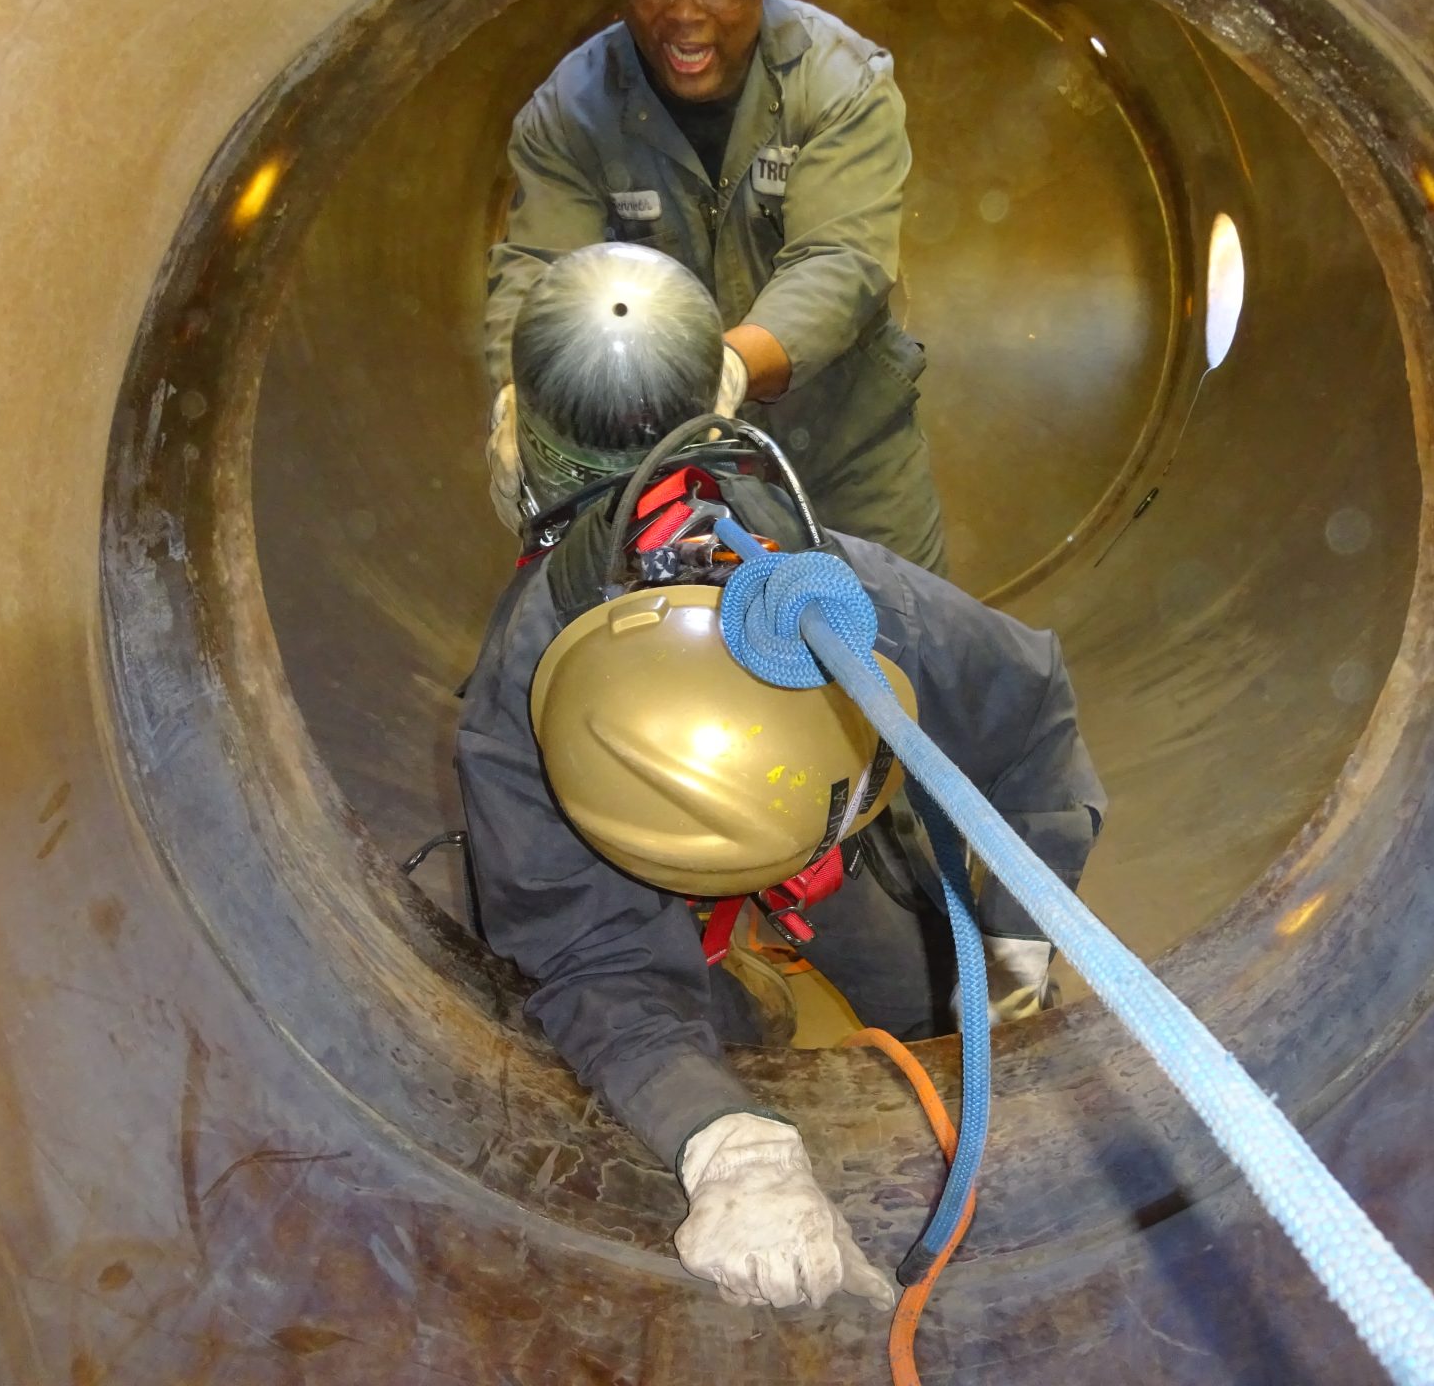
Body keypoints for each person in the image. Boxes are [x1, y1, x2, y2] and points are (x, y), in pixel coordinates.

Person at [457, 243, 1104, 1310]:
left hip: (837, 872)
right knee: (677, 1062)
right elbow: (590, 953)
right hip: (680, 917)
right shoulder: (535, 691)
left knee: (938, 1029)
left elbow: (1021, 711)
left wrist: (1013, 945)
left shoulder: (836, 608)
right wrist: (725, 1142)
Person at [482, 0, 948, 574]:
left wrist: (720, 369)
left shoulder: (840, 81)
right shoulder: (572, 110)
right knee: (674, 658)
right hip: (658, 476)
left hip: (848, 449)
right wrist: (517, 392)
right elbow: (540, 269)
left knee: (900, 643)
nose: (683, 12)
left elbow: (838, 261)